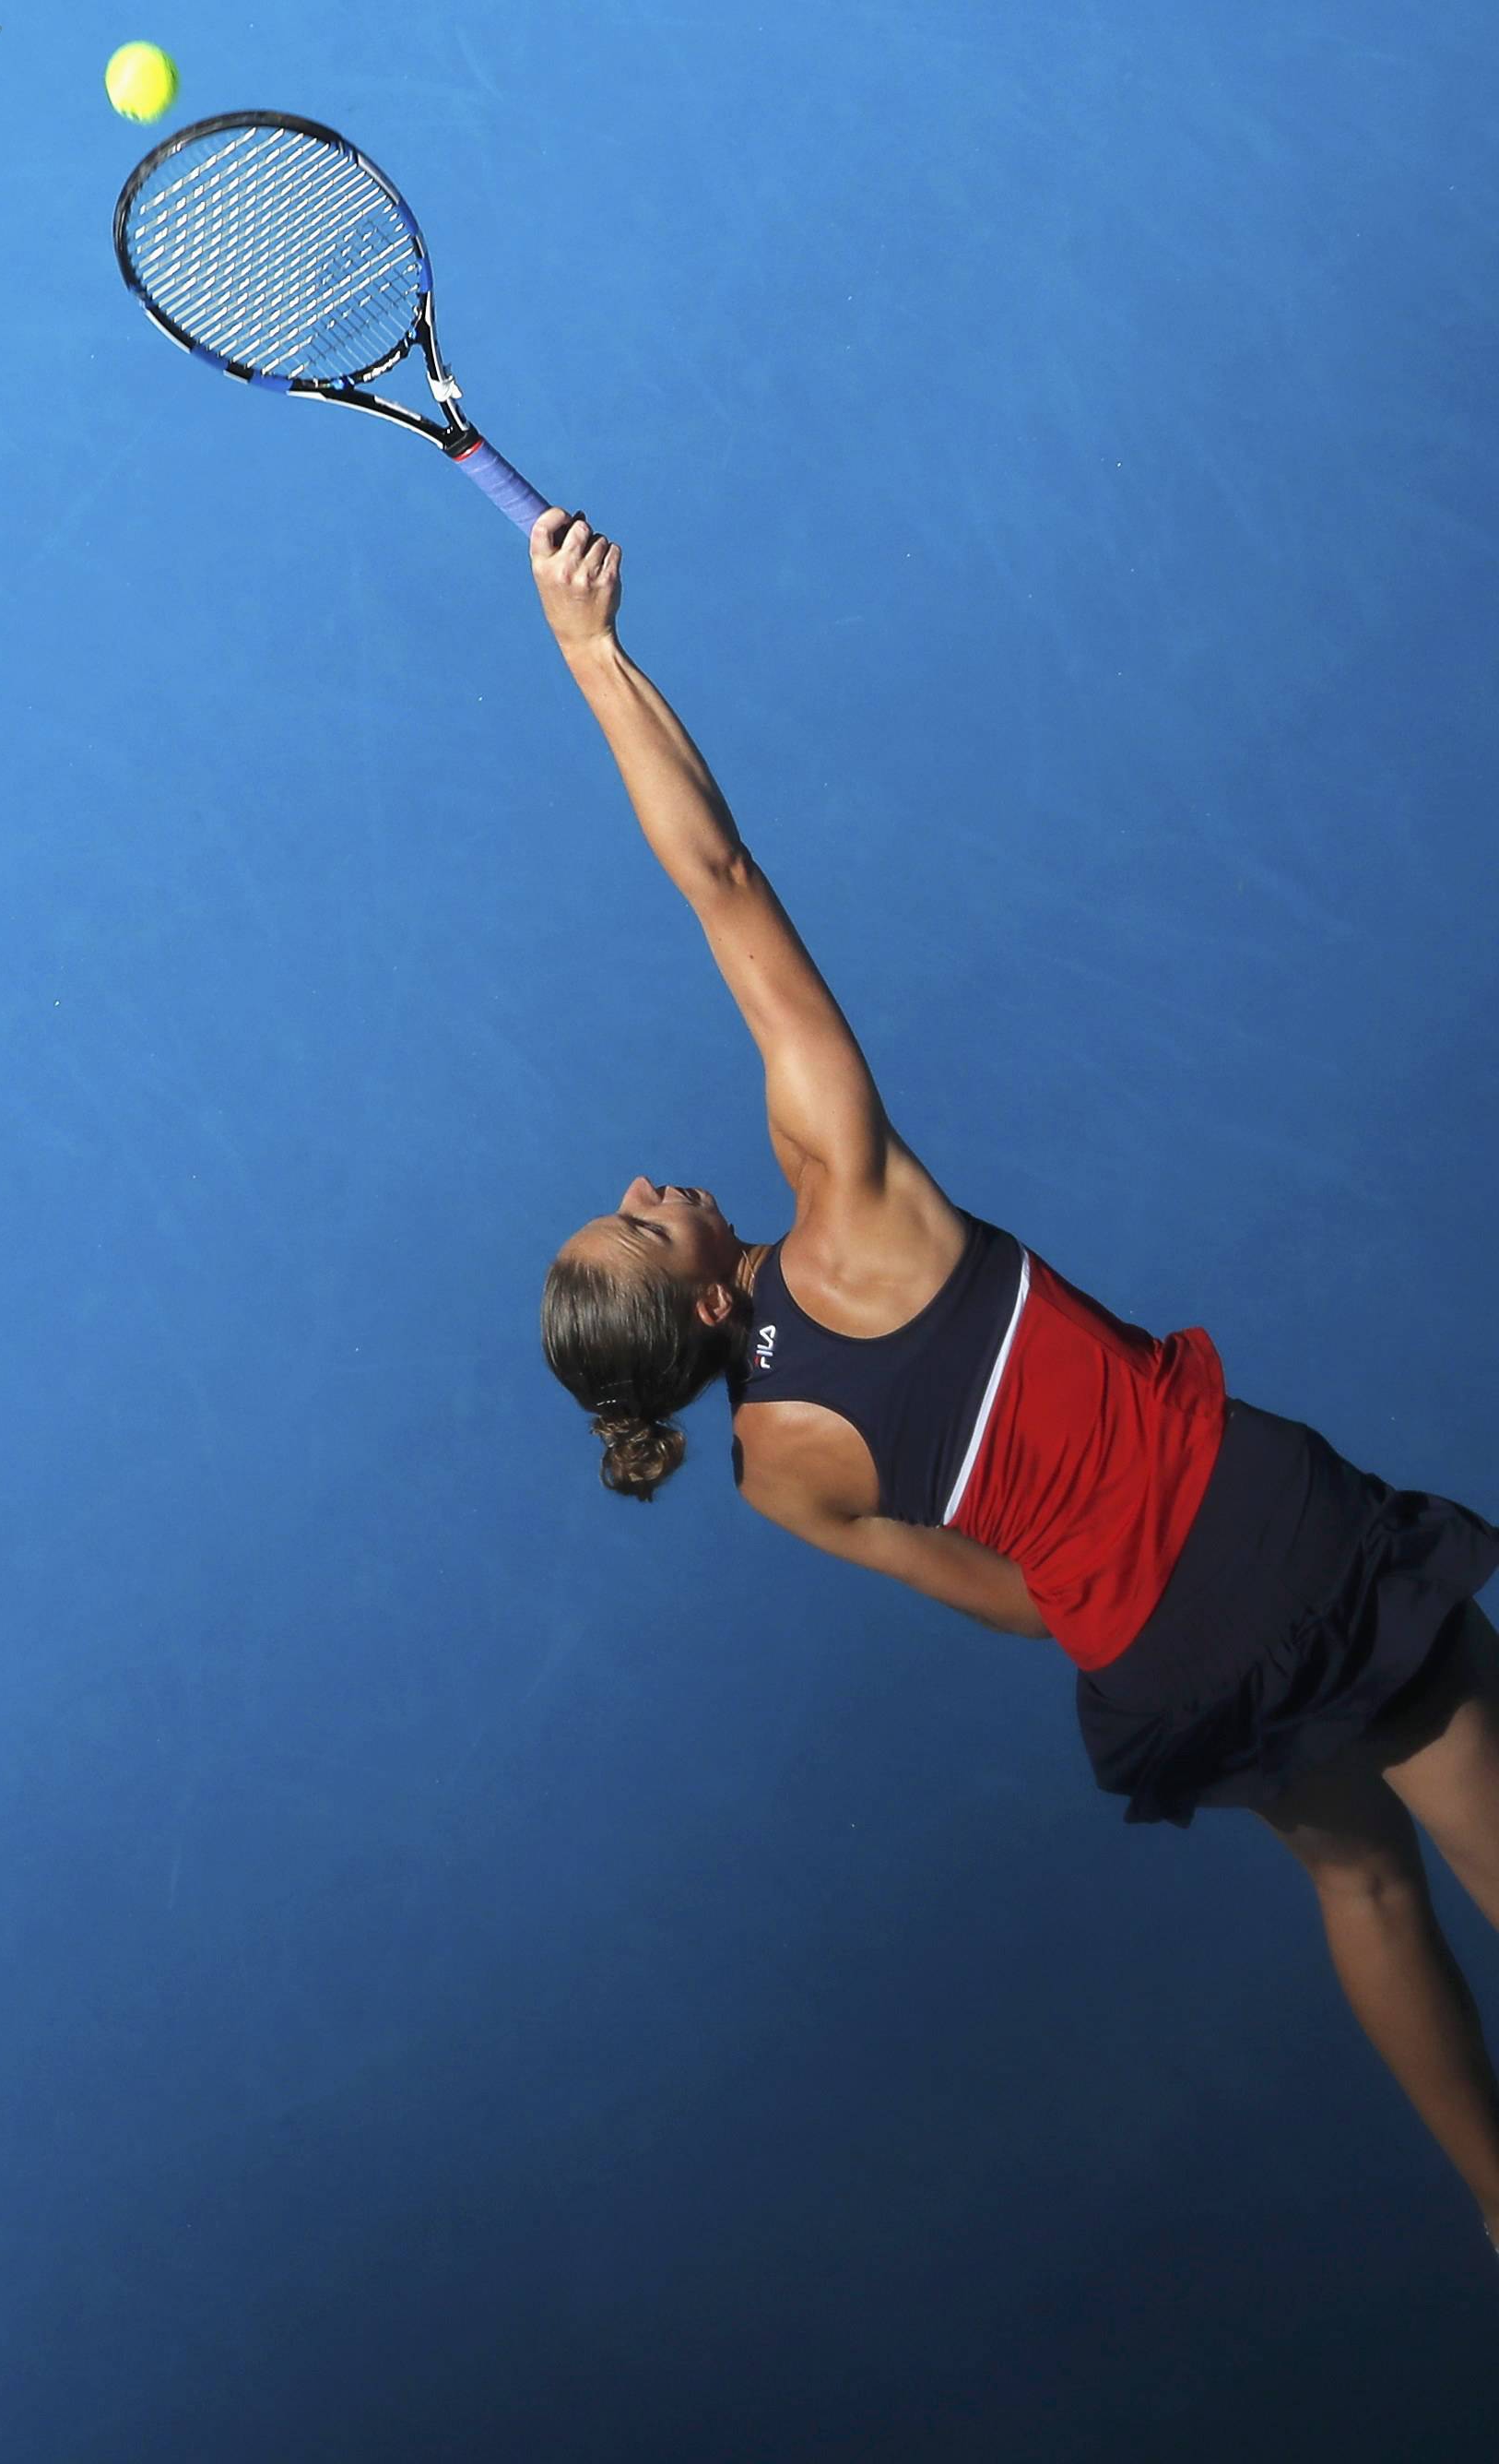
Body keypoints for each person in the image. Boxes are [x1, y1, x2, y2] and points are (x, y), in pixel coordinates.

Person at [527, 505, 1499, 2256]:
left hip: (1157, 1655)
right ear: (683, 1294)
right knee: (1480, 1793)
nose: (646, 1186)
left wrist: (1130, 1579)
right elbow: (722, 884)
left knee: (1357, 1881)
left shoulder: (768, 1468)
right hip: (1267, 1526)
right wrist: (594, 653)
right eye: (636, 1223)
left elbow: (997, 1598)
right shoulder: (842, 1200)